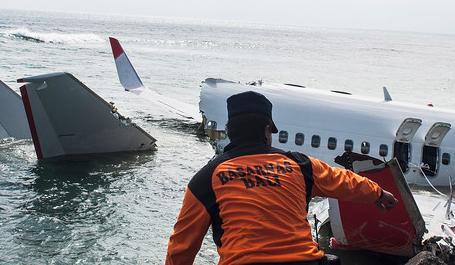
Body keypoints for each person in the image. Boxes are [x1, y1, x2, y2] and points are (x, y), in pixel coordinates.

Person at [166, 91, 398, 265]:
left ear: (230, 132)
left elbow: (182, 246)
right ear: (266, 132)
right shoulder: (300, 165)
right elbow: (343, 181)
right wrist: (378, 193)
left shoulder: (207, 179)